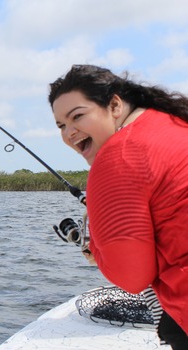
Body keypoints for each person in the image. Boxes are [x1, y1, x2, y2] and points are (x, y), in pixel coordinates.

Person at [48, 64, 188, 349]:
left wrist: (97, 242)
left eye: (78, 116)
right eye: (62, 125)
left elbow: (132, 277)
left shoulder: (118, 156)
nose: (70, 133)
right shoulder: (173, 124)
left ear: (114, 104)